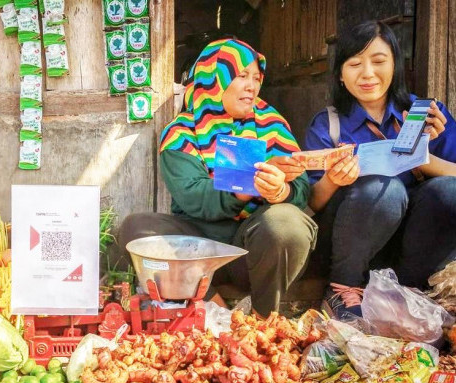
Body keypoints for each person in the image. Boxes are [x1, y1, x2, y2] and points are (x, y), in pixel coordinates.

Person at [119, 38, 317, 318]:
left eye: (256, 78)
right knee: (137, 229)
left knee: (286, 222)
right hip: (198, 252)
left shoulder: (271, 124)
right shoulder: (182, 134)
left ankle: (263, 320)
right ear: (214, 78)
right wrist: (246, 187)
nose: (252, 86)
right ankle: (213, 306)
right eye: (241, 76)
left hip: (256, 250)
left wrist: (280, 192)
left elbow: (301, 189)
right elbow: (194, 197)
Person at [304, 20, 456, 320]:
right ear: (341, 75)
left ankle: (409, 290)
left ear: (395, 65)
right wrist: (335, 179)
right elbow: (312, 203)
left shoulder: (424, 115)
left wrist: (420, 158)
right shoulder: (329, 125)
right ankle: (342, 288)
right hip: (353, 246)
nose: (368, 74)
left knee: (449, 191)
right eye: (355, 63)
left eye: (378, 61)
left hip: (412, 248)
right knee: (383, 189)